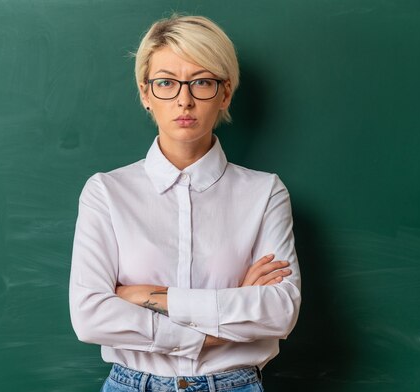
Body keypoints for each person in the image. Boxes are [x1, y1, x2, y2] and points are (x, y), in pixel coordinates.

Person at [69, 14, 301, 392]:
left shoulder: (265, 193)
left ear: (225, 93)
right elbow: (90, 317)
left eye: (202, 82)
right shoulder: (106, 192)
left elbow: (279, 312)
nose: (184, 99)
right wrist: (232, 309)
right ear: (145, 94)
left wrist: (143, 296)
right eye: (166, 83)